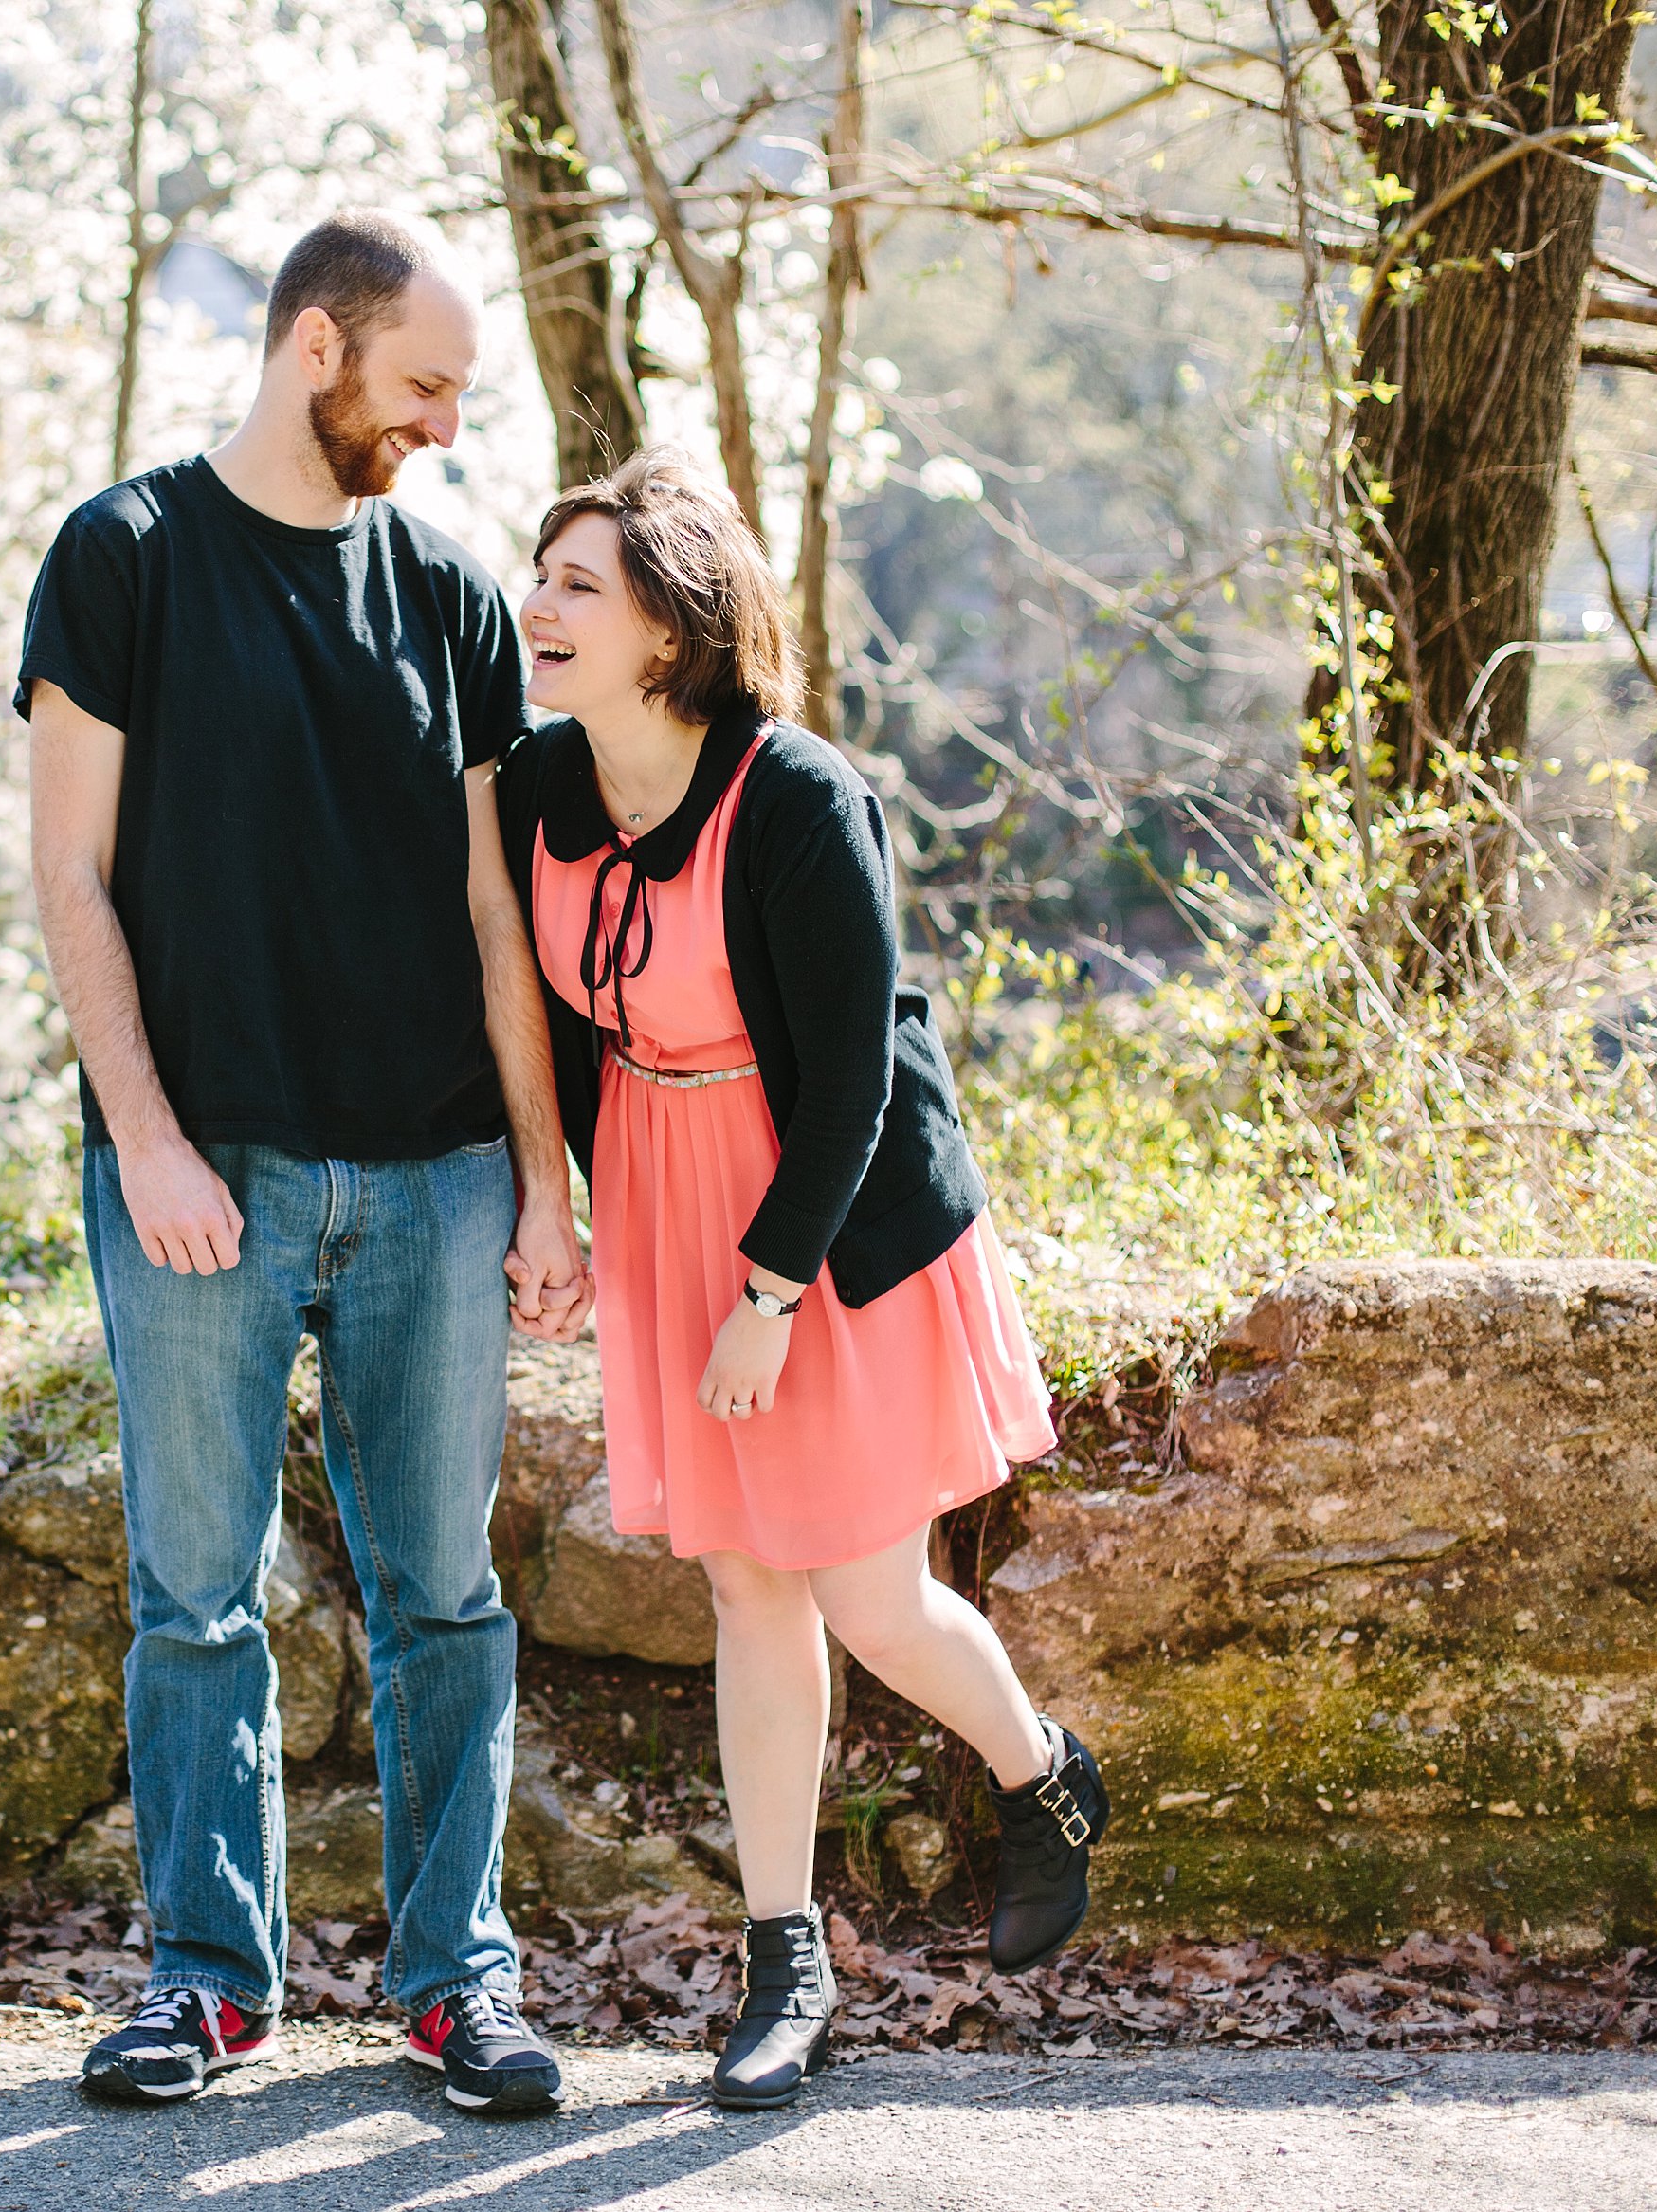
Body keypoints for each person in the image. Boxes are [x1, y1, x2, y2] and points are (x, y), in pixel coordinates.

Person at [18, 212, 588, 2116]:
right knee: (196, 1597)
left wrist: (541, 1180)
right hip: (203, 1183)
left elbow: (497, 920)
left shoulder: (450, 597)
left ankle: (454, 1982)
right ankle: (204, 1985)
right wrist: (153, 1141)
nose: (441, 424)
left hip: (434, 1180)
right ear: (315, 348)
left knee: (446, 1600)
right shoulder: (128, 558)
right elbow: (70, 878)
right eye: (423, 383)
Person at [494, 449, 1102, 2112]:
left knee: (861, 1587)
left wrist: (766, 1296)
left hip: (825, 1217)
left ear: (672, 636)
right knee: (744, 1588)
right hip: (663, 1200)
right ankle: (788, 1964)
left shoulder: (798, 795)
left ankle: (1043, 1773)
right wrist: (559, 1215)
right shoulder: (536, 796)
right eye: (537, 572)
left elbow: (849, 1083)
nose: (539, 603)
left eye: (579, 585)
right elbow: (544, 1026)